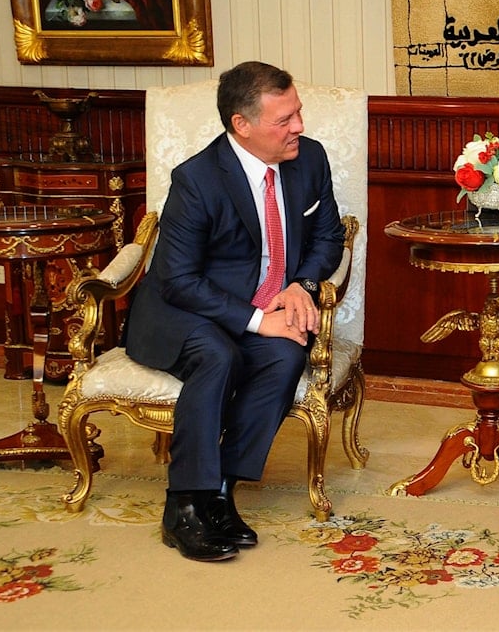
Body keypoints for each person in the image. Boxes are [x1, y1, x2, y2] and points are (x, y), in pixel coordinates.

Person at [124, 61, 346, 562]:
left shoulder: (309, 159)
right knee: (218, 356)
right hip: (184, 310)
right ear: (241, 125)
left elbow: (329, 235)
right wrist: (255, 319)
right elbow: (178, 280)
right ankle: (183, 507)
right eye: (284, 120)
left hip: (268, 299)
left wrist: (299, 285)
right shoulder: (198, 180)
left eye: (299, 113)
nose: (300, 127)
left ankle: (220, 491)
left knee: (286, 355)